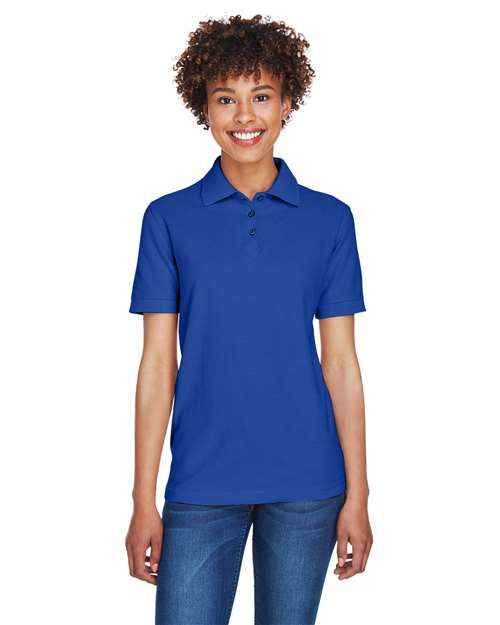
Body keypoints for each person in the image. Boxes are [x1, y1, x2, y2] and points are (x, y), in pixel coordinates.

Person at [125, 14, 373, 625]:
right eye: (225, 99)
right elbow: (157, 365)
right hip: (201, 482)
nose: (244, 116)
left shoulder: (330, 220)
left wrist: (359, 493)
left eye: (261, 97)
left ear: (287, 104)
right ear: (204, 108)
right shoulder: (168, 219)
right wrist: (142, 499)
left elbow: (341, 363)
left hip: (309, 484)